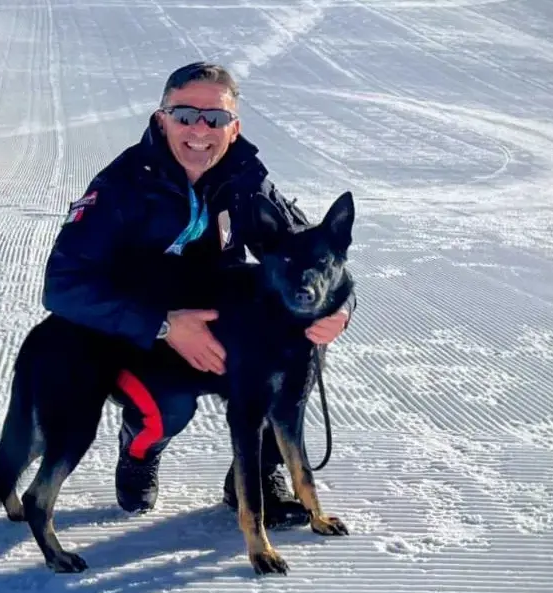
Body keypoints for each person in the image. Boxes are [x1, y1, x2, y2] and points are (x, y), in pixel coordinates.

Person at [40, 61, 354, 527]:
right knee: (168, 404)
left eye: (216, 118)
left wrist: (342, 308)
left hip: (218, 317)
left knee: (296, 345)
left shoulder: (248, 180)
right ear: (162, 117)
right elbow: (62, 286)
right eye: (185, 115)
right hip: (137, 332)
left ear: (235, 127)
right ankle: (139, 451)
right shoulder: (121, 187)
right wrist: (165, 325)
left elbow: (315, 251)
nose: (200, 130)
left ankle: (260, 473)